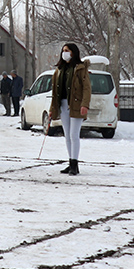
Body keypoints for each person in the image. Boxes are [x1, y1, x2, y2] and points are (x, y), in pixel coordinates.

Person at [49, 42, 91, 175]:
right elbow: (54, 92)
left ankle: (74, 163)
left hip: (76, 105)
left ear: (73, 52)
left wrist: (85, 104)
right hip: (62, 104)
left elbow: (86, 88)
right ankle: (70, 163)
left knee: (74, 135)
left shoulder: (80, 68)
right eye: (63, 50)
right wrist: (52, 108)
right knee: (67, 135)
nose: (64, 52)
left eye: (67, 50)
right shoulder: (59, 70)